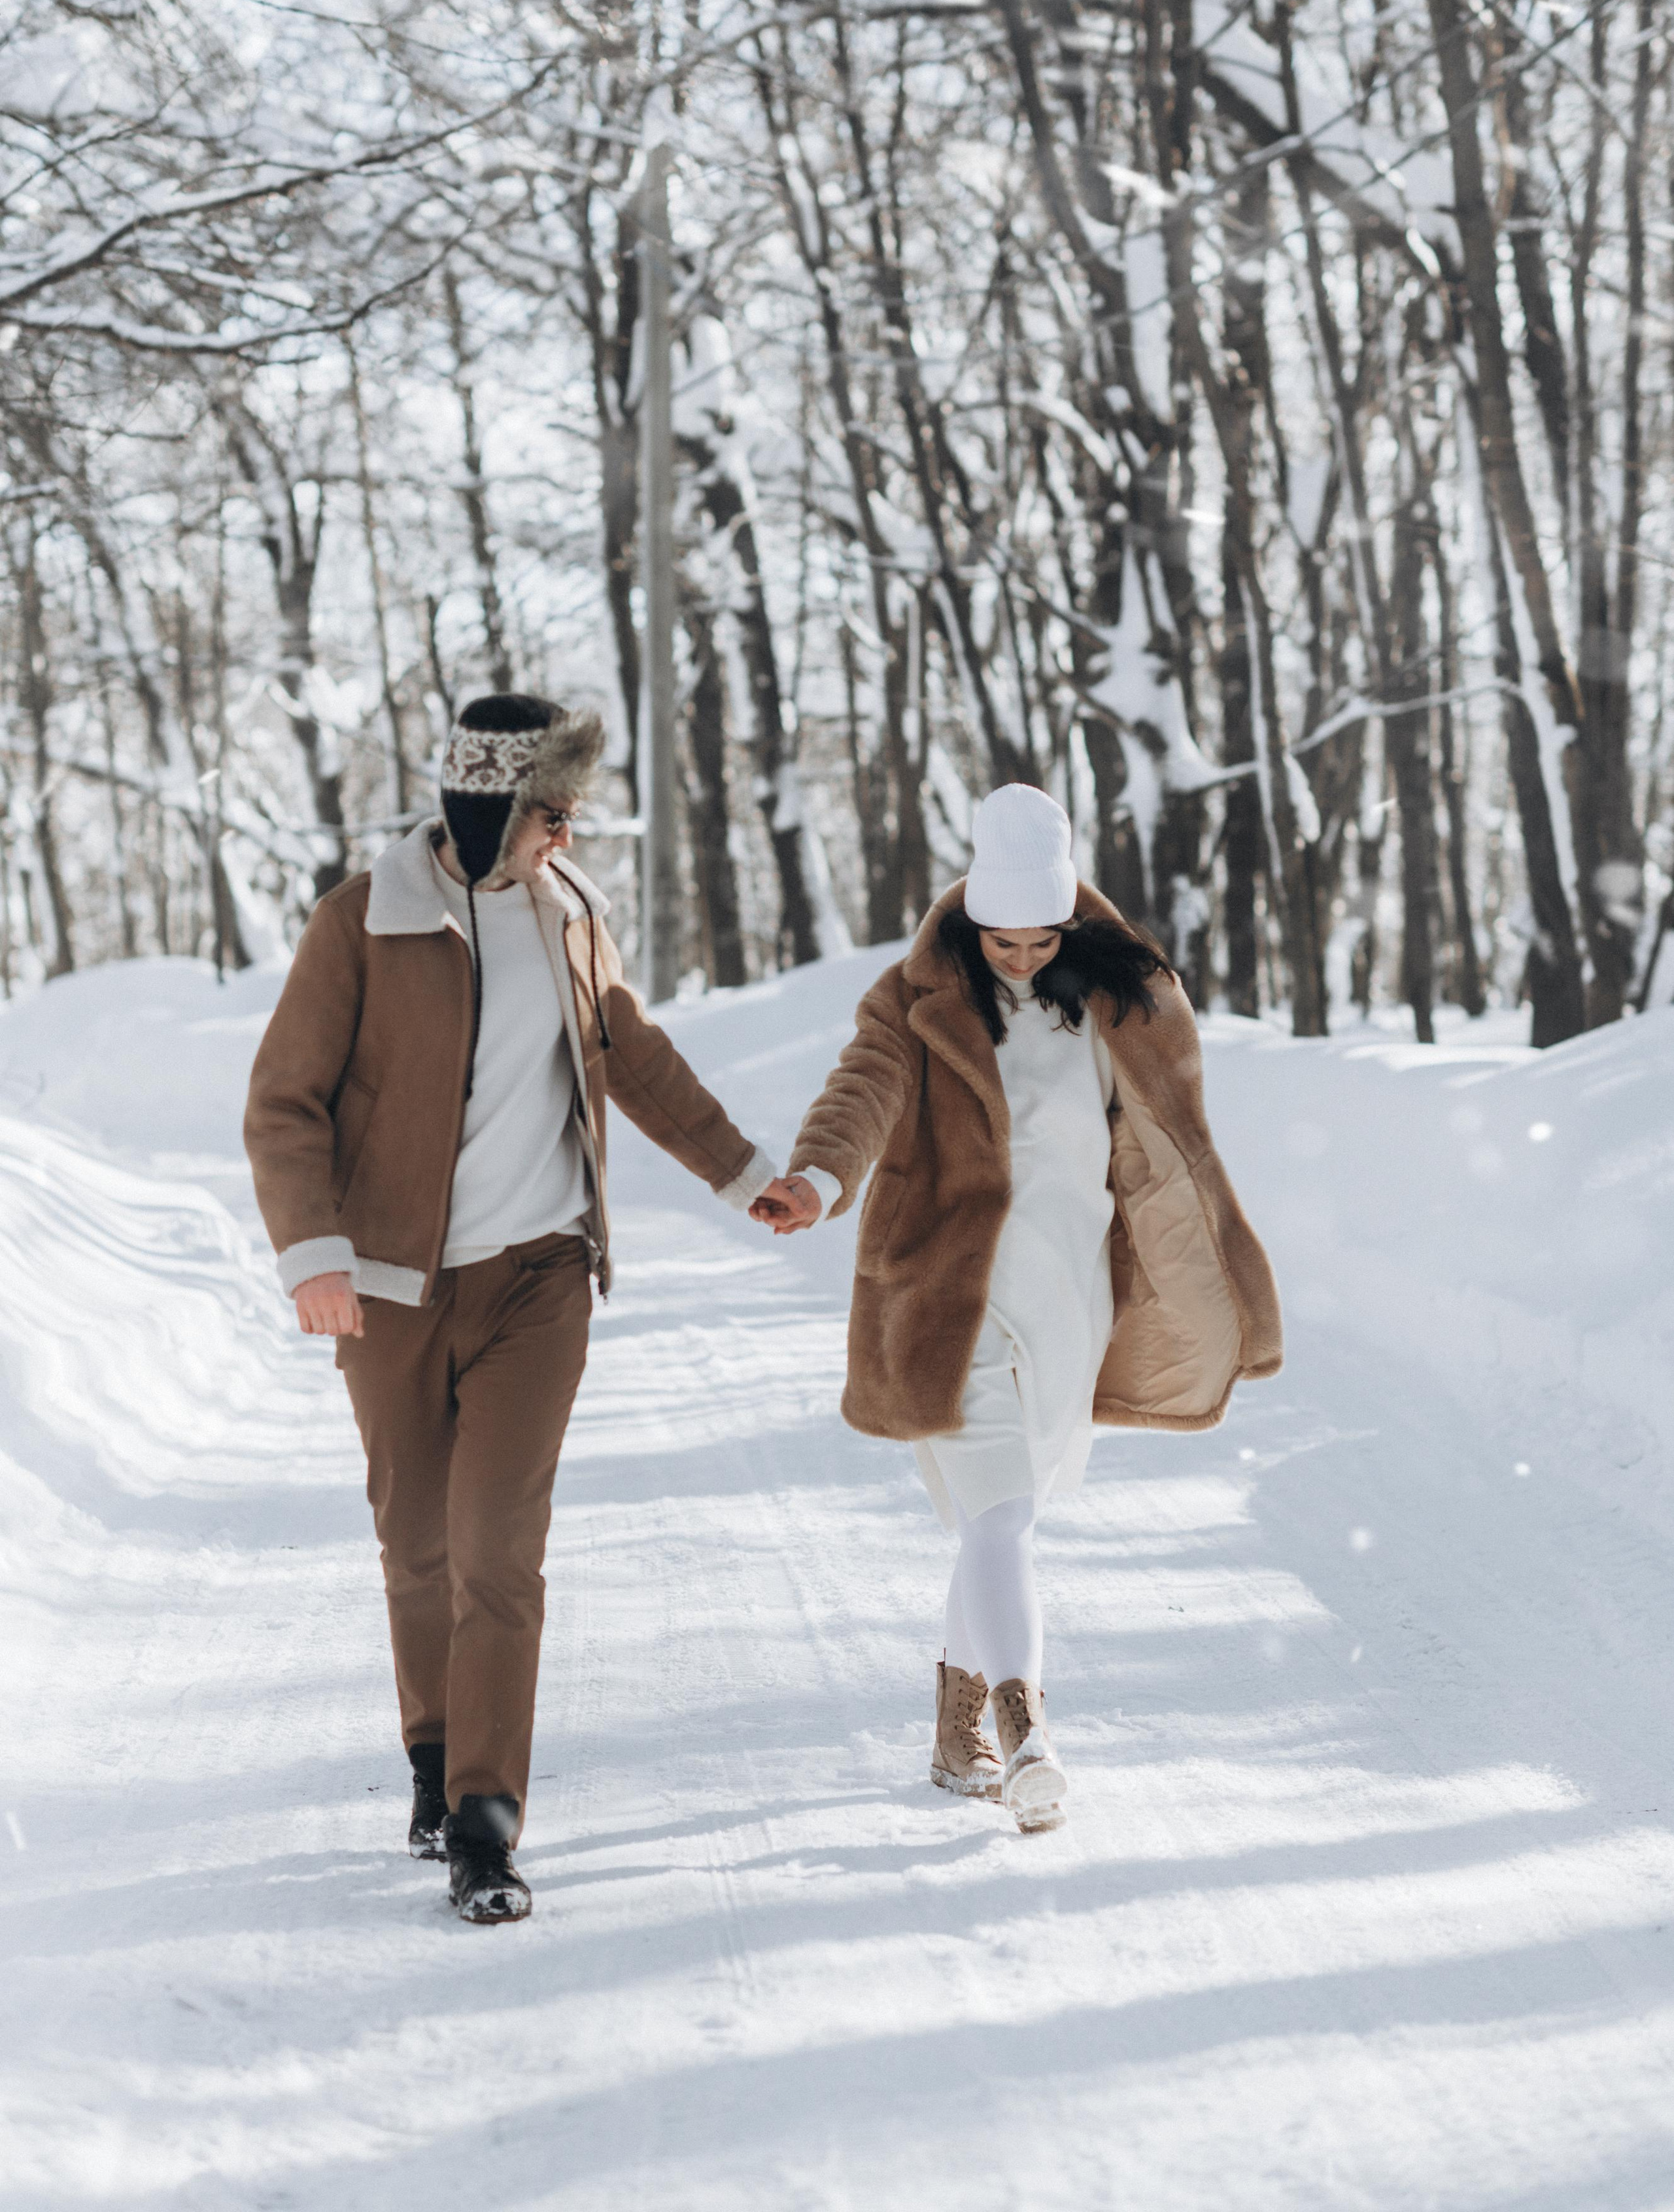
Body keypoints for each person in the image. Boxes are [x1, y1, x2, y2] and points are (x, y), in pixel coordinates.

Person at [245, 692, 798, 1923]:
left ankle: (486, 1825)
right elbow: (284, 1101)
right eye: (553, 814)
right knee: (418, 1546)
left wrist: (743, 1173)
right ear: (490, 808)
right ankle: (435, 1760)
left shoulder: (570, 913)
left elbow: (635, 1056)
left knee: (498, 1552)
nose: (568, 837)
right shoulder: (361, 925)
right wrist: (315, 1253)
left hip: (540, 1278)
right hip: (392, 1288)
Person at [753, 784, 1281, 1833]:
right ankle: (1026, 1728)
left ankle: (957, 1734)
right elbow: (863, 1088)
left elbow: (1171, 1138)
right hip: (948, 1294)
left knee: (1006, 1522)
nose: (1026, 959)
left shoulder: (1121, 1000)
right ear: (973, 921)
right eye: (1005, 942)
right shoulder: (918, 999)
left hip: (1069, 1296)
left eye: (1045, 941)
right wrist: (817, 1176)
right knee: (997, 1515)